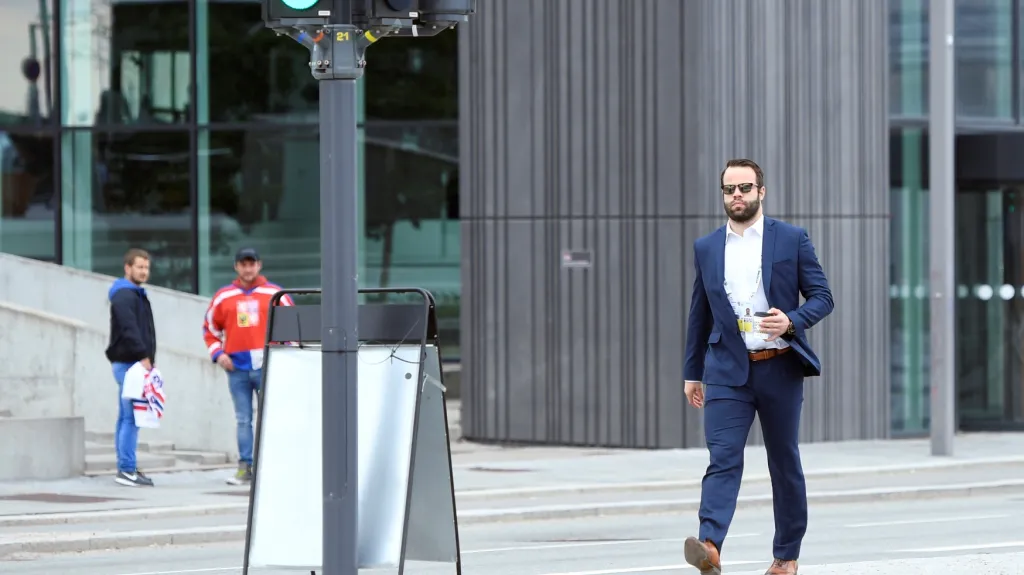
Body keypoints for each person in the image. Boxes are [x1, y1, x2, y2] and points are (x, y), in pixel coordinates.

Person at [681, 159, 834, 575]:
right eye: (730, 190)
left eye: (745, 188)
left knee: (783, 462)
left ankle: (786, 556)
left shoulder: (791, 239)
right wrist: (692, 372)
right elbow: (700, 313)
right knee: (723, 457)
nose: (737, 196)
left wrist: (792, 320)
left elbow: (823, 296)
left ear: (760, 192)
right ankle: (710, 545)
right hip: (727, 370)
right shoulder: (707, 247)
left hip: (779, 367)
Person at [202, 248, 294, 485]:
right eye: (243, 264)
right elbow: (210, 329)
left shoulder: (275, 294)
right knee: (243, 419)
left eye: (251, 263)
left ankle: (274, 465)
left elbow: (293, 324)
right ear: (236, 267)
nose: (248, 268)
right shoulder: (224, 296)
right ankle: (245, 467)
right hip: (237, 369)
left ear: (259, 265)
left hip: (268, 367)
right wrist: (218, 354)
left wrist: (284, 356)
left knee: (271, 417)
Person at [105, 248, 158, 487]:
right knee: (132, 418)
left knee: (126, 417)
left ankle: (126, 467)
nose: (144, 272)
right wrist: (143, 356)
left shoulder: (134, 294)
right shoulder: (125, 295)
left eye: (146, 268)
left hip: (132, 362)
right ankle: (126, 470)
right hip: (130, 363)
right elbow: (129, 329)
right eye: (139, 267)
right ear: (128, 268)